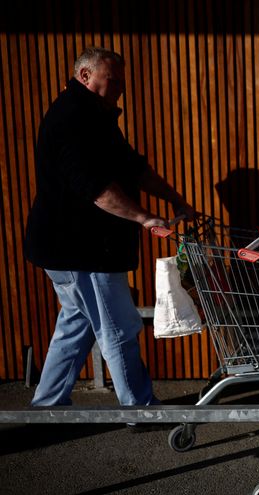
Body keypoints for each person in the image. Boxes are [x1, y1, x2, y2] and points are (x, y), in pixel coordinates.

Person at [24, 47, 194, 406]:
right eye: (112, 79)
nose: (119, 87)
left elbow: (132, 166)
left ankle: (47, 406)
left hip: (72, 247)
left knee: (77, 323)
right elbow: (96, 189)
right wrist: (145, 218)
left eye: (121, 80)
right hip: (81, 247)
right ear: (85, 76)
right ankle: (139, 407)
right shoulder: (71, 119)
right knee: (117, 326)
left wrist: (174, 197)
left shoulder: (95, 116)